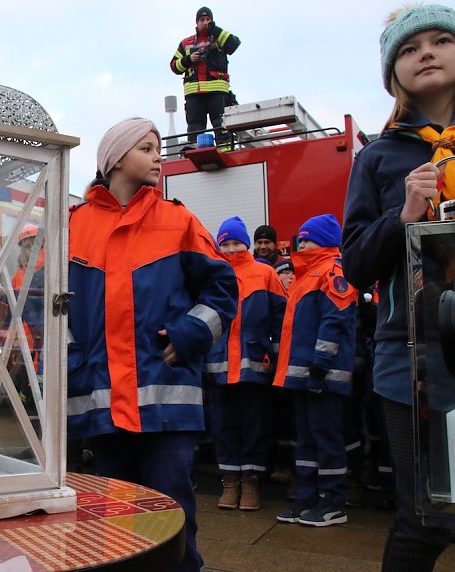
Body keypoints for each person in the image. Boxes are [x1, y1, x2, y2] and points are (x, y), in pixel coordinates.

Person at [66, 117, 238, 572]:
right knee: (114, 513)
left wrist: (192, 333)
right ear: (115, 160)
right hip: (100, 399)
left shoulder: (177, 221)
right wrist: (70, 360)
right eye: (145, 147)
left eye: (157, 147)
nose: (157, 155)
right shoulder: (72, 228)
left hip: (166, 396)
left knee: (171, 506)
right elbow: (45, 307)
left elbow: (223, 290)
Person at [340, 5, 455, 569]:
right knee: (424, 520)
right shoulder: (378, 157)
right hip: (410, 358)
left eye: (441, 40)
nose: (426, 53)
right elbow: (356, 264)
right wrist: (403, 214)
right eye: (409, 49)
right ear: (393, 74)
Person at [274, 214, 358, 527]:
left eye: (307, 239)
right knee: (306, 439)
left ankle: (333, 501)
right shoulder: (305, 274)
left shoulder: (333, 272)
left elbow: (334, 321)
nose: (301, 243)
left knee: (326, 437)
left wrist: (320, 366)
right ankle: (306, 497)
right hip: (302, 375)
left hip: (321, 375)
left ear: (323, 241)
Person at [206, 216, 286, 511]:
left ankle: (251, 483)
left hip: (254, 364)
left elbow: (280, 318)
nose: (230, 248)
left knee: (255, 425)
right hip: (218, 366)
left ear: (247, 244)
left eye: (236, 242)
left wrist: (276, 357)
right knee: (223, 425)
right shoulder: (211, 275)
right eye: (224, 243)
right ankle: (229, 483)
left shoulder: (265, 273)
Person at [170, 6, 241, 144]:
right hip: (194, 93)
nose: (205, 22)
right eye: (202, 19)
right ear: (196, 22)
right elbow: (174, 66)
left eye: (208, 19)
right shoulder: (186, 43)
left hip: (217, 90)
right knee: (195, 126)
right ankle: (194, 151)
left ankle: (225, 150)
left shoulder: (219, 38)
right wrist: (189, 59)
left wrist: (215, 30)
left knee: (220, 123)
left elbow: (233, 44)